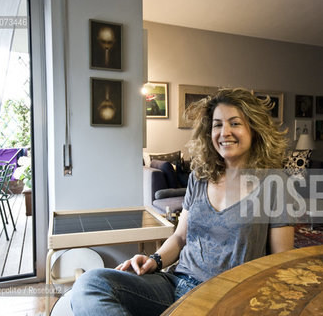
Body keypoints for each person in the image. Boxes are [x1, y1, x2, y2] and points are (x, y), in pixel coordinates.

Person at [70, 88, 294, 316]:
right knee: (89, 284)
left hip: (226, 299)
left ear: (254, 130)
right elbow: (180, 236)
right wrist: (154, 260)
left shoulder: (273, 184)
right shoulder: (201, 176)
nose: (224, 132)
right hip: (176, 284)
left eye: (235, 123)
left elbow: (280, 264)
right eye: (217, 124)